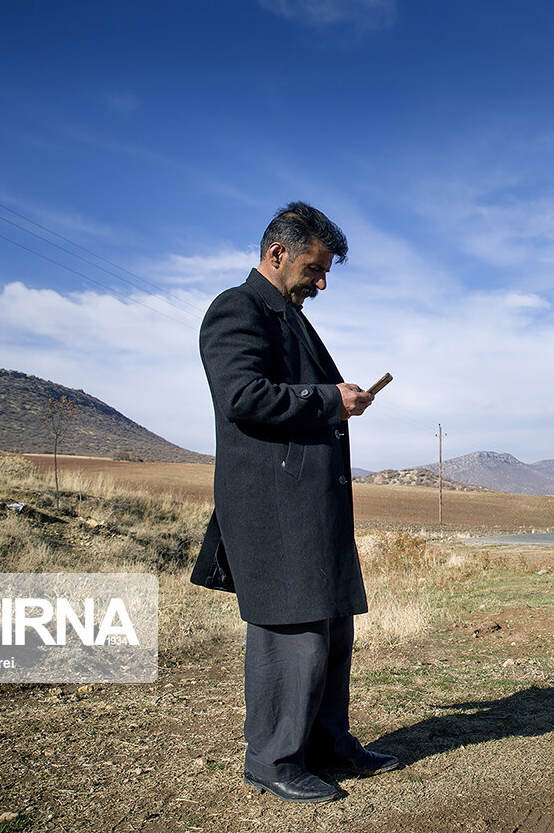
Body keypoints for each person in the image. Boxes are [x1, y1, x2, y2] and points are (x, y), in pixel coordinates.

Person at [190, 202, 399, 804]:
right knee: (293, 636)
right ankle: (274, 760)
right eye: (315, 268)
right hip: (276, 512)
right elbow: (243, 396)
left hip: (312, 508)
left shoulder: (288, 315)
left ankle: (328, 744)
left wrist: (336, 399)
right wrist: (331, 400)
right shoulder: (236, 308)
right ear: (277, 254)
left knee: (331, 630)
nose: (322, 282)